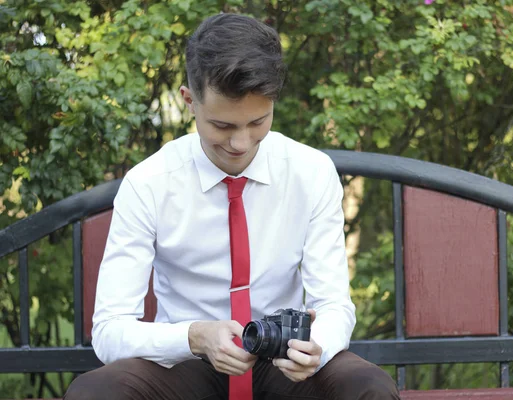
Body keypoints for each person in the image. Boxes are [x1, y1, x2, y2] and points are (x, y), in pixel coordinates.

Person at [64, 13, 400, 400]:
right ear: (188, 100)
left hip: (282, 364)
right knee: (95, 392)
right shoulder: (148, 183)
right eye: (222, 126)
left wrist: (317, 347)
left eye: (258, 122)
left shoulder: (310, 172)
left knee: (368, 388)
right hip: (187, 365)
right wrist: (194, 336)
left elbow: (333, 305)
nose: (241, 143)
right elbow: (109, 331)